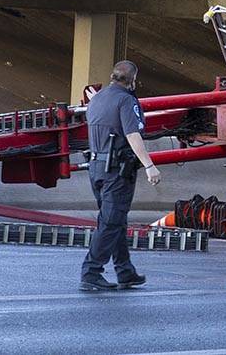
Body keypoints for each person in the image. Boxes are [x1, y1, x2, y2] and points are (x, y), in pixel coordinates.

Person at [80, 60, 162, 291]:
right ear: (132, 80)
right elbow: (132, 134)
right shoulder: (126, 100)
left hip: (96, 167)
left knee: (114, 221)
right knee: (110, 222)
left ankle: (125, 271)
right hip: (116, 170)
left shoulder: (96, 99)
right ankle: (91, 271)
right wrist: (149, 165)